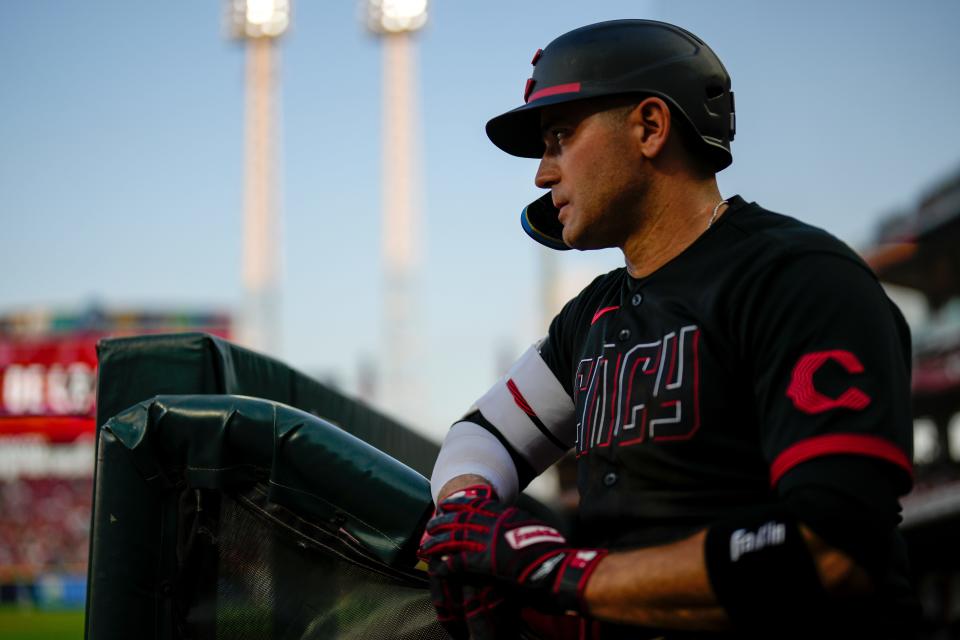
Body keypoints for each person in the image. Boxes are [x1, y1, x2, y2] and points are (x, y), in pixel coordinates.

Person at [418, 19, 919, 639]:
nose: (542, 176)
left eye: (560, 137)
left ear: (650, 127)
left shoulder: (797, 277)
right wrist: (469, 513)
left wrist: (560, 574)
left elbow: (835, 546)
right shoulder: (593, 312)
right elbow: (482, 435)